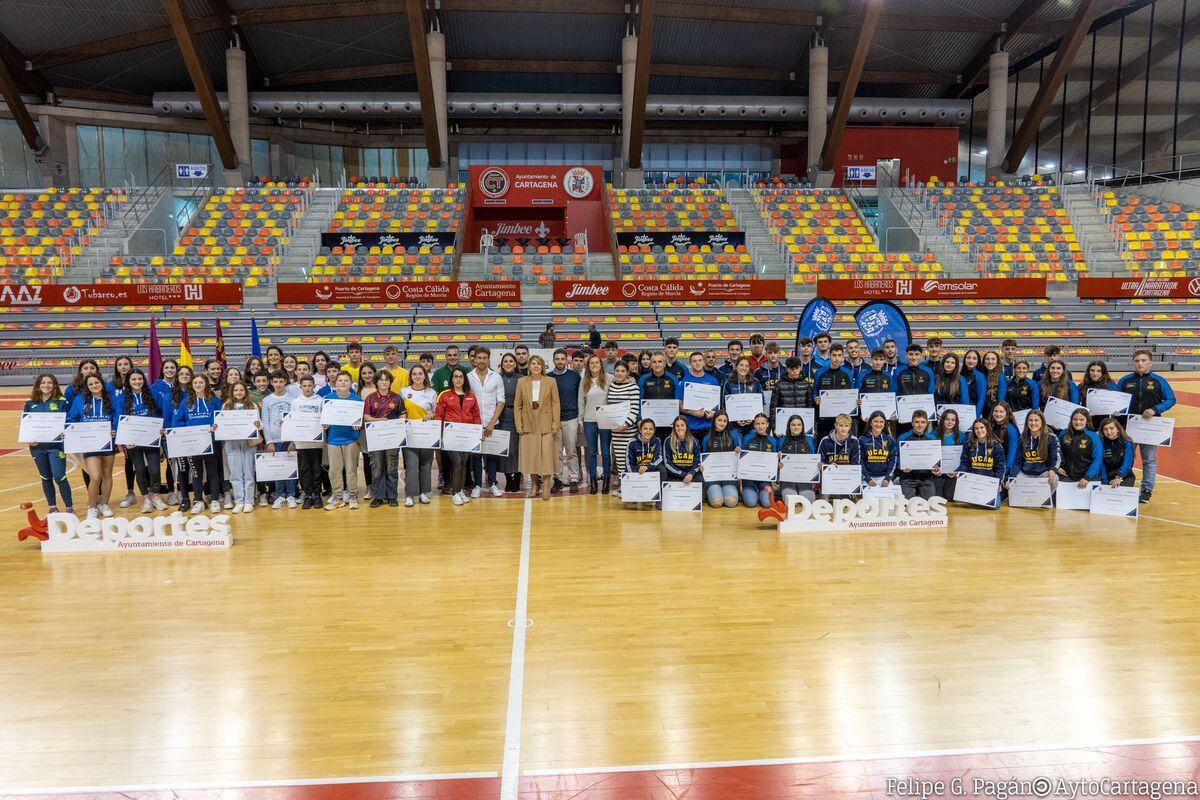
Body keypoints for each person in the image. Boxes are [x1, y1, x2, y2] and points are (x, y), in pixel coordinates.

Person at [1117, 349, 1173, 494]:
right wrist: (1116, 410)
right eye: (1137, 361)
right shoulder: (1125, 381)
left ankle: (1147, 489)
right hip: (1128, 425)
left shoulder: (1159, 381)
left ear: (1150, 362)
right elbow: (1116, 399)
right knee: (1126, 457)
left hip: (1150, 425)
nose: (1140, 363)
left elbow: (1171, 399)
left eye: (1143, 360)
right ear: (1133, 363)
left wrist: (1156, 409)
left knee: (1149, 460)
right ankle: (1124, 485)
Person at [118, 369, 168, 513]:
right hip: (132, 441)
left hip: (151, 438)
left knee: (154, 469)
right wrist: (124, 439)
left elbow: (159, 412)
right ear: (128, 381)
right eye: (133, 379)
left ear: (143, 380)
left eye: (140, 379)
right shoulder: (122, 398)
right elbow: (119, 420)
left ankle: (156, 497)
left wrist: (160, 427)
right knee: (139, 470)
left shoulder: (151, 394)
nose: (137, 382)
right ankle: (146, 499)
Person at [68, 373, 117, 518]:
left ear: (102, 383)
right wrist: (74, 430)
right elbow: (72, 418)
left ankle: (104, 504)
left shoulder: (112, 399)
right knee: (95, 476)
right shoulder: (80, 400)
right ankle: (92, 507)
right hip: (90, 443)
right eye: (91, 384)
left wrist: (115, 429)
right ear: (87, 387)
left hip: (108, 442)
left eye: (97, 383)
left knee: (107, 474)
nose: (94, 386)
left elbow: (118, 417)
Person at [173, 373, 222, 514]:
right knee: (196, 473)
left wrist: (215, 427)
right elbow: (178, 421)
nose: (198, 385)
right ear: (192, 385)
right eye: (195, 383)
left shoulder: (214, 401)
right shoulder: (186, 402)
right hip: (192, 444)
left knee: (212, 472)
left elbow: (220, 418)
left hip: (210, 443)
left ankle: (214, 501)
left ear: (206, 384)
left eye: (201, 382)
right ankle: (199, 501)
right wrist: (184, 434)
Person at [24, 373, 73, 514]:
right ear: (38, 385)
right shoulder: (30, 402)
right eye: (43, 382)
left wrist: (66, 431)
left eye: (50, 382)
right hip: (37, 447)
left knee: (59, 476)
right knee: (45, 477)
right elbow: (25, 424)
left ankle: (69, 506)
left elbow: (69, 421)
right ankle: (52, 506)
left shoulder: (62, 401)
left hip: (56, 447)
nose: (46, 385)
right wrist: (28, 438)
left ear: (54, 385)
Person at [515, 355, 561, 501]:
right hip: (528, 420)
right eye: (533, 363)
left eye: (538, 364)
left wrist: (555, 423)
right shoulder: (522, 382)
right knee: (531, 455)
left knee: (547, 454)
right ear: (529, 366)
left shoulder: (551, 381)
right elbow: (517, 404)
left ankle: (546, 485)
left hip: (546, 420)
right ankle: (535, 485)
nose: (535, 366)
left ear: (543, 367)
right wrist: (519, 423)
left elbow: (555, 403)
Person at [434, 366, 481, 506]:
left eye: (461, 376)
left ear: (464, 379)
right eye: (455, 376)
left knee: (465, 463)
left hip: (468, 435)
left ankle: (460, 491)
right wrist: (440, 436)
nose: (458, 379)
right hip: (451, 435)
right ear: (452, 379)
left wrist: (478, 433)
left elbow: (476, 416)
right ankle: (454, 493)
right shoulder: (444, 395)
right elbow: (439, 416)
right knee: (457, 463)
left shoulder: (471, 395)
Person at [467, 347, 506, 498]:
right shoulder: (468, 377)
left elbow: (501, 401)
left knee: (491, 456)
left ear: (488, 359)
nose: (481, 361)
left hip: (492, 423)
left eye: (484, 358)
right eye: (479, 358)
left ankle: (493, 484)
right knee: (476, 456)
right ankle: (477, 485)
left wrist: (491, 423)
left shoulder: (496, 377)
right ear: (474, 359)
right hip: (474, 423)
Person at [322, 371, 364, 510]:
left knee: (351, 470)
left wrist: (358, 423)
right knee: (334, 470)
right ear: (336, 382)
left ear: (351, 383)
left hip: (351, 439)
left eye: (346, 380)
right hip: (333, 439)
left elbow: (360, 421)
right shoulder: (328, 398)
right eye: (341, 380)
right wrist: (325, 423)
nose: (343, 383)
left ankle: (352, 496)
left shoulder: (357, 400)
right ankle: (338, 497)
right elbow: (324, 419)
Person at [221, 380, 263, 514]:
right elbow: (221, 424)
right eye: (236, 390)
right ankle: (239, 501)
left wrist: (258, 425)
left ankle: (249, 500)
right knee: (235, 472)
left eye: (241, 390)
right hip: (232, 442)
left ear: (246, 392)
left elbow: (260, 424)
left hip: (248, 441)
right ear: (232, 392)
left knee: (249, 471)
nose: (238, 392)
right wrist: (216, 427)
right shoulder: (226, 406)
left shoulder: (252, 405)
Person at [400, 364, 437, 507]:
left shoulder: (432, 393)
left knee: (426, 465)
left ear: (425, 376)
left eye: (420, 374)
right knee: (411, 465)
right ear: (411, 377)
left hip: (427, 434)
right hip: (409, 434)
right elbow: (401, 412)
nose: (417, 376)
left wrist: (431, 415)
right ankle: (410, 494)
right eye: (414, 374)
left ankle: (424, 492)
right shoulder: (403, 392)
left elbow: (436, 412)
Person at [364, 369, 403, 507]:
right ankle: (378, 496)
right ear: (376, 382)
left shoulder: (397, 398)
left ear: (390, 381)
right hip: (376, 437)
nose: (384, 382)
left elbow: (402, 416)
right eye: (381, 379)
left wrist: (397, 426)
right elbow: (366, 417)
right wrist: (378, 421)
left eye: (386, 379)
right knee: (377, 466)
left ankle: (392, 495)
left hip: (393, 438)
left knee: (391, 466)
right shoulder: (370, 398)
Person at [605, 360, 641, 496]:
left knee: (629, 459)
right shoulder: (612, 385)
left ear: (627, 373)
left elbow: (635, 409)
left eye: (623, 371)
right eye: (617, 371)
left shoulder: (633, 387)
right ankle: (623, 487)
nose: (619, 373)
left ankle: (631, 488)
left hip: (628, 430)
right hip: (615, 430)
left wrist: (625, 425)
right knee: (619, 460)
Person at [260, 371, 295, 508]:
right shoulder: (267, 400)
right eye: (275, 382)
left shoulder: (292, 400)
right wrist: (269, 442)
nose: (278, 384)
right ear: (271, 383)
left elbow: (294, 421)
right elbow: (265, 422)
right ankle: (280, 495)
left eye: (281, 381)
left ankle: (291, 494)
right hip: (275, 440)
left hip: (289, 439)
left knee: (291, 467)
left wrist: (293, 441)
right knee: (278, 468)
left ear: (285, 382)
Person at [549, 349, 582, 493]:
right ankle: (558, 479)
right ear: (553, 360)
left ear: (566, 361)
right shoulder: (548, 377)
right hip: (554, 420)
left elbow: (580, 398)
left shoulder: (575, 376)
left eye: (562, 359)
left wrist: (579, 418)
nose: (560, 361)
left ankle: (574, 478)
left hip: (571, 418)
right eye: (557, 359)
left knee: (571, 450)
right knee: (556, 452)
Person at [579, 354, 612, 494]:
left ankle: (606, 480)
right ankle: (592, 480)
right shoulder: (584, 381)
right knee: (592, 452)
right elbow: (580, 401)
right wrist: (580, 419)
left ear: (600, 364)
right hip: (589, 420)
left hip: (605, 420)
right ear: (588, 366)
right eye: (591, 363)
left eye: (597, 362)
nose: (594, 365)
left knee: (605, 452)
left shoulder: (610, 379)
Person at [108, 355, 138, 509]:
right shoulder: (111, 386)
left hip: (139, 427)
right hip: (122, 428)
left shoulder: (138, 381)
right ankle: (130, 492)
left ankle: (151, 492)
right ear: (116, 367)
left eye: (126, 364)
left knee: (143, 461)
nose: (123, 367)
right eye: (120, 364)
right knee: (129, 460)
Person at [292, 375, 325, 509]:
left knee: (317, 469)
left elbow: (324, 418)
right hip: (301, 442)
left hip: (316, 442)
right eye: (304, 386)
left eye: (309, 385)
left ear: (314, 386)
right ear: (300, 387)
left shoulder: (320, 400)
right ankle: (307, 494)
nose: (307, 388)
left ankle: (317, 494)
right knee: (305, 469)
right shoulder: (296, 402)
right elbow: (292, 420)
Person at [957, 418, 1006, 508]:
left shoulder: (997, 446)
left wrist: (998, 483)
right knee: (968, 502)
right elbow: (964, 463)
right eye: (976, 428)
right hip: (973, 481)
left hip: (988, 483)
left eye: (982, 427)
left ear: (987, 428)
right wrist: (961, 474)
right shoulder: (968, 445)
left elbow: (1000, 467)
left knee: (995, 506)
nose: (979, 431)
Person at [1008, 410, 1061, 492]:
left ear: (1042, 422)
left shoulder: (1052, 438)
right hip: (1025, 474)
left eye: (1036, 420)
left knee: (1054, 478)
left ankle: (1043, 500)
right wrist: (1012, 477)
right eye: (1030, 420)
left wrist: (1053, 469)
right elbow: (1017, 461)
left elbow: (1056, 458)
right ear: (1027, 422)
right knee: (1011, 484)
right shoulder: (1022, 438)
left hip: (1042, 474)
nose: (1033, 423)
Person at [813, 344, 853, 440]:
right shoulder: (820, 372)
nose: (837, 358)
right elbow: (814, 391)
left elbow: (852, 393)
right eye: (834, 355)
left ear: (843, 356)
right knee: (824, 442)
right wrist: (815, 399)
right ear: (830, 355)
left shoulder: (848, 373)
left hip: (843, 418)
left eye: (839, 355)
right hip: (825, 418)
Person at [701, 411, 740, 508]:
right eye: (719, 420)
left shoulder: (734, 436)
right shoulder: (707, 438)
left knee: (731, 502)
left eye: (725, 421)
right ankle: (712, 491)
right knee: (717, 503)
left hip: (729, 478)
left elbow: (740, 458)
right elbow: (704, 459)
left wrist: (738, 451)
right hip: (713, 478)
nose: (722, 423)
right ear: (714, 421)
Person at [496, 354, 523, 493]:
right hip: (501, 416)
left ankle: (518, 476)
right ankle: (508, 478)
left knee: (517, 448)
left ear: (515, 363)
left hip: (517, 416)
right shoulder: (497, 379)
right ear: (501, 364)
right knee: (504, 449)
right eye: (505, 361)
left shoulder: (522, 379)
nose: (508, 363)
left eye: (511, 361)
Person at [897, 409, 938, 500]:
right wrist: (901, 466)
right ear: (912, 423)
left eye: (923, 422)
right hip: (908, 477)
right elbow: (897, 457)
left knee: (931, 503)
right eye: (917, 422)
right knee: (906, 504)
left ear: (927, 423)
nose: (920, 425)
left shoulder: (932, 438)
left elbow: (935, 458)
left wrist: (936, 467)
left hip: (926, 477)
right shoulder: (902, 437)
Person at [678, 351, 720, 436]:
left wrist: (713, 414)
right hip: (691, 427)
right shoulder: (684, 382)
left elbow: (717, 406)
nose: (697, 363)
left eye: (700, 360)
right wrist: (692, 412)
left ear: (704, 362)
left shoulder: (713, 381)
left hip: (709, 427)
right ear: (690, 364)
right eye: (694, 361)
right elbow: (679, 405)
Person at [638, 353, 678, 441]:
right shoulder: (643, 379)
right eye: (654, 362)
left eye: (660, 362)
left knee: (668, 449)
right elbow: (639, 400)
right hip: (649, 424)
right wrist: (639, 419)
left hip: (669, 423)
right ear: (651, 364)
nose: (657, 364)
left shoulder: (673, 379)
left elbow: (677, 400)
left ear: (664, 364)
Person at [739, 413, 777, 508]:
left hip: (765, 479)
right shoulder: (747, 438)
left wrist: (778, 458)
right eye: (758, 424)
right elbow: (743, 459)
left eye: (763, 423)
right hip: (749, 479)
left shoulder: (773, 441)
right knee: (751, 503)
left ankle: (761, 492)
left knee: (767, 503)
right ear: (754, 425)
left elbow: (774, 462)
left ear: (767, 424)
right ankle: (751, 491)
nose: (760, 426)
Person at [818, 414, 860, 497]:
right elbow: (819, 462)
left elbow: (855, 464)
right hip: (829, 478)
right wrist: (828, 466)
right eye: (841, 425)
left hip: (847, 478)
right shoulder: (825, 441)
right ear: (835, 425)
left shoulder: (854, 441)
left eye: (846, 426)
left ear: (850, 426)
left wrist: (852, 485)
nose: (843, 428)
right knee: (824, 499)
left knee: (849, 503)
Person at [778, 413, 817, 502]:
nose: (796, 427)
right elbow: (776, 462)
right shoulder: (782, 440)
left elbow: (813, 459)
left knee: (809, 500)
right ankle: (784, 489)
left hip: (804, 478)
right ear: (789, 426)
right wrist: (778, 461)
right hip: (787, 479)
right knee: (792, 501)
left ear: (802, 426)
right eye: (793, 425)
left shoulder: (808, 440)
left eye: (799, 425)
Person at [1058, 408, 1102, 488]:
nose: (1078, 422)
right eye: (1075, 419)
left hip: (1087, 478)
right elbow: (1057, 453)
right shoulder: (1063, 434)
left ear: (1087, 421)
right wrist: (1057, 467)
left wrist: (1088, 477)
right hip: (1065, 476)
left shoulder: (1093, 437)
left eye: (1081, 419)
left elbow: (1097, 459)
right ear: (1071, 420)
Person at [721, 355, 762, 436]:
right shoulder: (729, 383)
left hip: (752, 425)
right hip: (734, 425)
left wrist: (753, 418)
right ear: (736, 367)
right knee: (737, 448)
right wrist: (735, 418)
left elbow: (761, 402)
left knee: (752, 447)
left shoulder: (755, 382)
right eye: (741, 365)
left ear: (749, 368)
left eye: (746, 366)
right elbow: (724, 404)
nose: (744, 368)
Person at [769, 356, 815, 427]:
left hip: (802, 424)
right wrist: (774, 425)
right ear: (787, 369)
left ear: (800, 368)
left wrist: (811, 424)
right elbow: (773, 408)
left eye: (797, 368)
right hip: (784, 424)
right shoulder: (779, 385)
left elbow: (811, 407)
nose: (795, 371)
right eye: (792, 369)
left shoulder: (806, 385)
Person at [859, 410, 897, 489]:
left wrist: (887, 479)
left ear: (884, 424)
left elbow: (893, 460)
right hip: (867, 478)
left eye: (881, 422)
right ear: (870, 423)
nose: (878, 424)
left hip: (884, 478)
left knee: (890, 500)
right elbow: (860, 461)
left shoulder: (889, 439)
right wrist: (868, 479)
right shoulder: (862, 439)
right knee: (867, 501)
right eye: (875, 421)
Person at [662, 416, 701, 487]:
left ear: (686, 427)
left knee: (701, 479)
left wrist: (691, 474)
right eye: (677, 426)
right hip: (675, 475)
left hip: (691, 475)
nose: (680, 428)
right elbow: (667, 463)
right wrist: (683, 474)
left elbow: (698, 462)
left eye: (682, 425)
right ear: (674, 428)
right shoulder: (668, 441)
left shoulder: (694, 441)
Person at [627, 418, 664, 495]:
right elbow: (628, 463)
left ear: (654, 431)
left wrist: (648, 466)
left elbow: (659, 458)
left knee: (662, 468)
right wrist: (633, 476)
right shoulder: (632, 442)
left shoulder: (657, 441)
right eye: (645, 429)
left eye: (651, 429)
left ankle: (659, 496)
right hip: (637, 469)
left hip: (650, 467)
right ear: (640, 430)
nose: (648, 431)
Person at [1099, 417, 1136, 488]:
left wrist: (1119, 477)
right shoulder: (1100, 444)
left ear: (1118, 429)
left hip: (1124, 476)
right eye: (1105, 429)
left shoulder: (1127, 443)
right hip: (1105, 476)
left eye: (1111, 428)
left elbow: (1127, 463)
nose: (1108, 432)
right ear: (1102, 431)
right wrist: (1104, 481)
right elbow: (1101, 464)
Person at [989, 402, 1022, 478]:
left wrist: (1005, 472)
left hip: (1006, 467)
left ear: (1007, 413)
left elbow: (1012, 452)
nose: (998, 414)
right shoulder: (990, 426)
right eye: (996, 411)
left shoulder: (1011, 428)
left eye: (1001, 412)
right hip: (991, 466)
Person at [961, 350, 988, 416]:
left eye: (974, 358)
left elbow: (981, 399)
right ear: (965, 359)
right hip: (960, 412)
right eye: (968, 358)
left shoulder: (980, 376)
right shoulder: (960, 375)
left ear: (978, 361)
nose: (971, 361)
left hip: (972, 413)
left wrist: (976, 416)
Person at [980, 351, 1005, 415]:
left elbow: (1001, 400)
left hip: (994, 413)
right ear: (984, 362)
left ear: (997, 362)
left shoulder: (1000, 377)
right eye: (987, 359)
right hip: (982, 412)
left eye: (993, 359)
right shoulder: (982, 376)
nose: (990, 362)